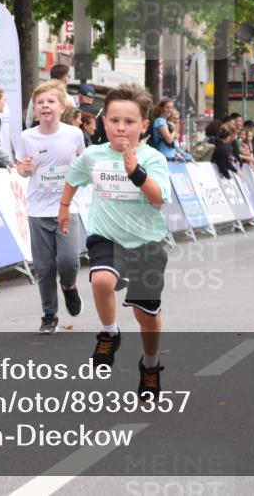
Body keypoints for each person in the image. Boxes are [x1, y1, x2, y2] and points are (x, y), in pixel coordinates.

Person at [57, 84, 171, 397]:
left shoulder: (154, 159)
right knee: (102, 281)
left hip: (146, 243)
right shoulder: (94, 155)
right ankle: (110, 332)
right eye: (114, 120)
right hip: (106, 236)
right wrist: (65, 207)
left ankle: (150, 364)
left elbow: (160, 199)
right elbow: (73, 177)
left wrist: (137, 173)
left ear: (144, 126)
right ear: (104, 121)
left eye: (129, 122)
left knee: (145, 314)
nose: (121, 127)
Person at [17, 80, 87, 334]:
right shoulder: (27, 137)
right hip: (38, 209)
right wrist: (23, 169)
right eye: (40, 103)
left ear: (61, 107)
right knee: (44, 267)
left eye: (51, 102)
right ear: (35, 109)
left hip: (68, 208)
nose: (45, 106)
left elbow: (83, 163)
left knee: (68, 261)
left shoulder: (74, 134)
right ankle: (49, 315)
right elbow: (22, 168)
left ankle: (68, 286)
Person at [25, 63, 76, 129]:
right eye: (69, 76)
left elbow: (28, 122)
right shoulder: (68, 99)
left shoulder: (37, 96)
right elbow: (75, 121)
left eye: (51, 101)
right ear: (65, 79)